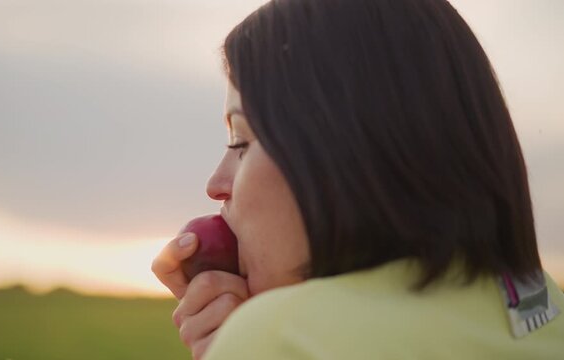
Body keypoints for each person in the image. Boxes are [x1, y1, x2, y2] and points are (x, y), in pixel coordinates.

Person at [151, 0, 564, 358]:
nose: (216, 184)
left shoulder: (282, 337)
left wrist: (249, 341)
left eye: (242, 141)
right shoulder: (538, 298)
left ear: (342, 145)